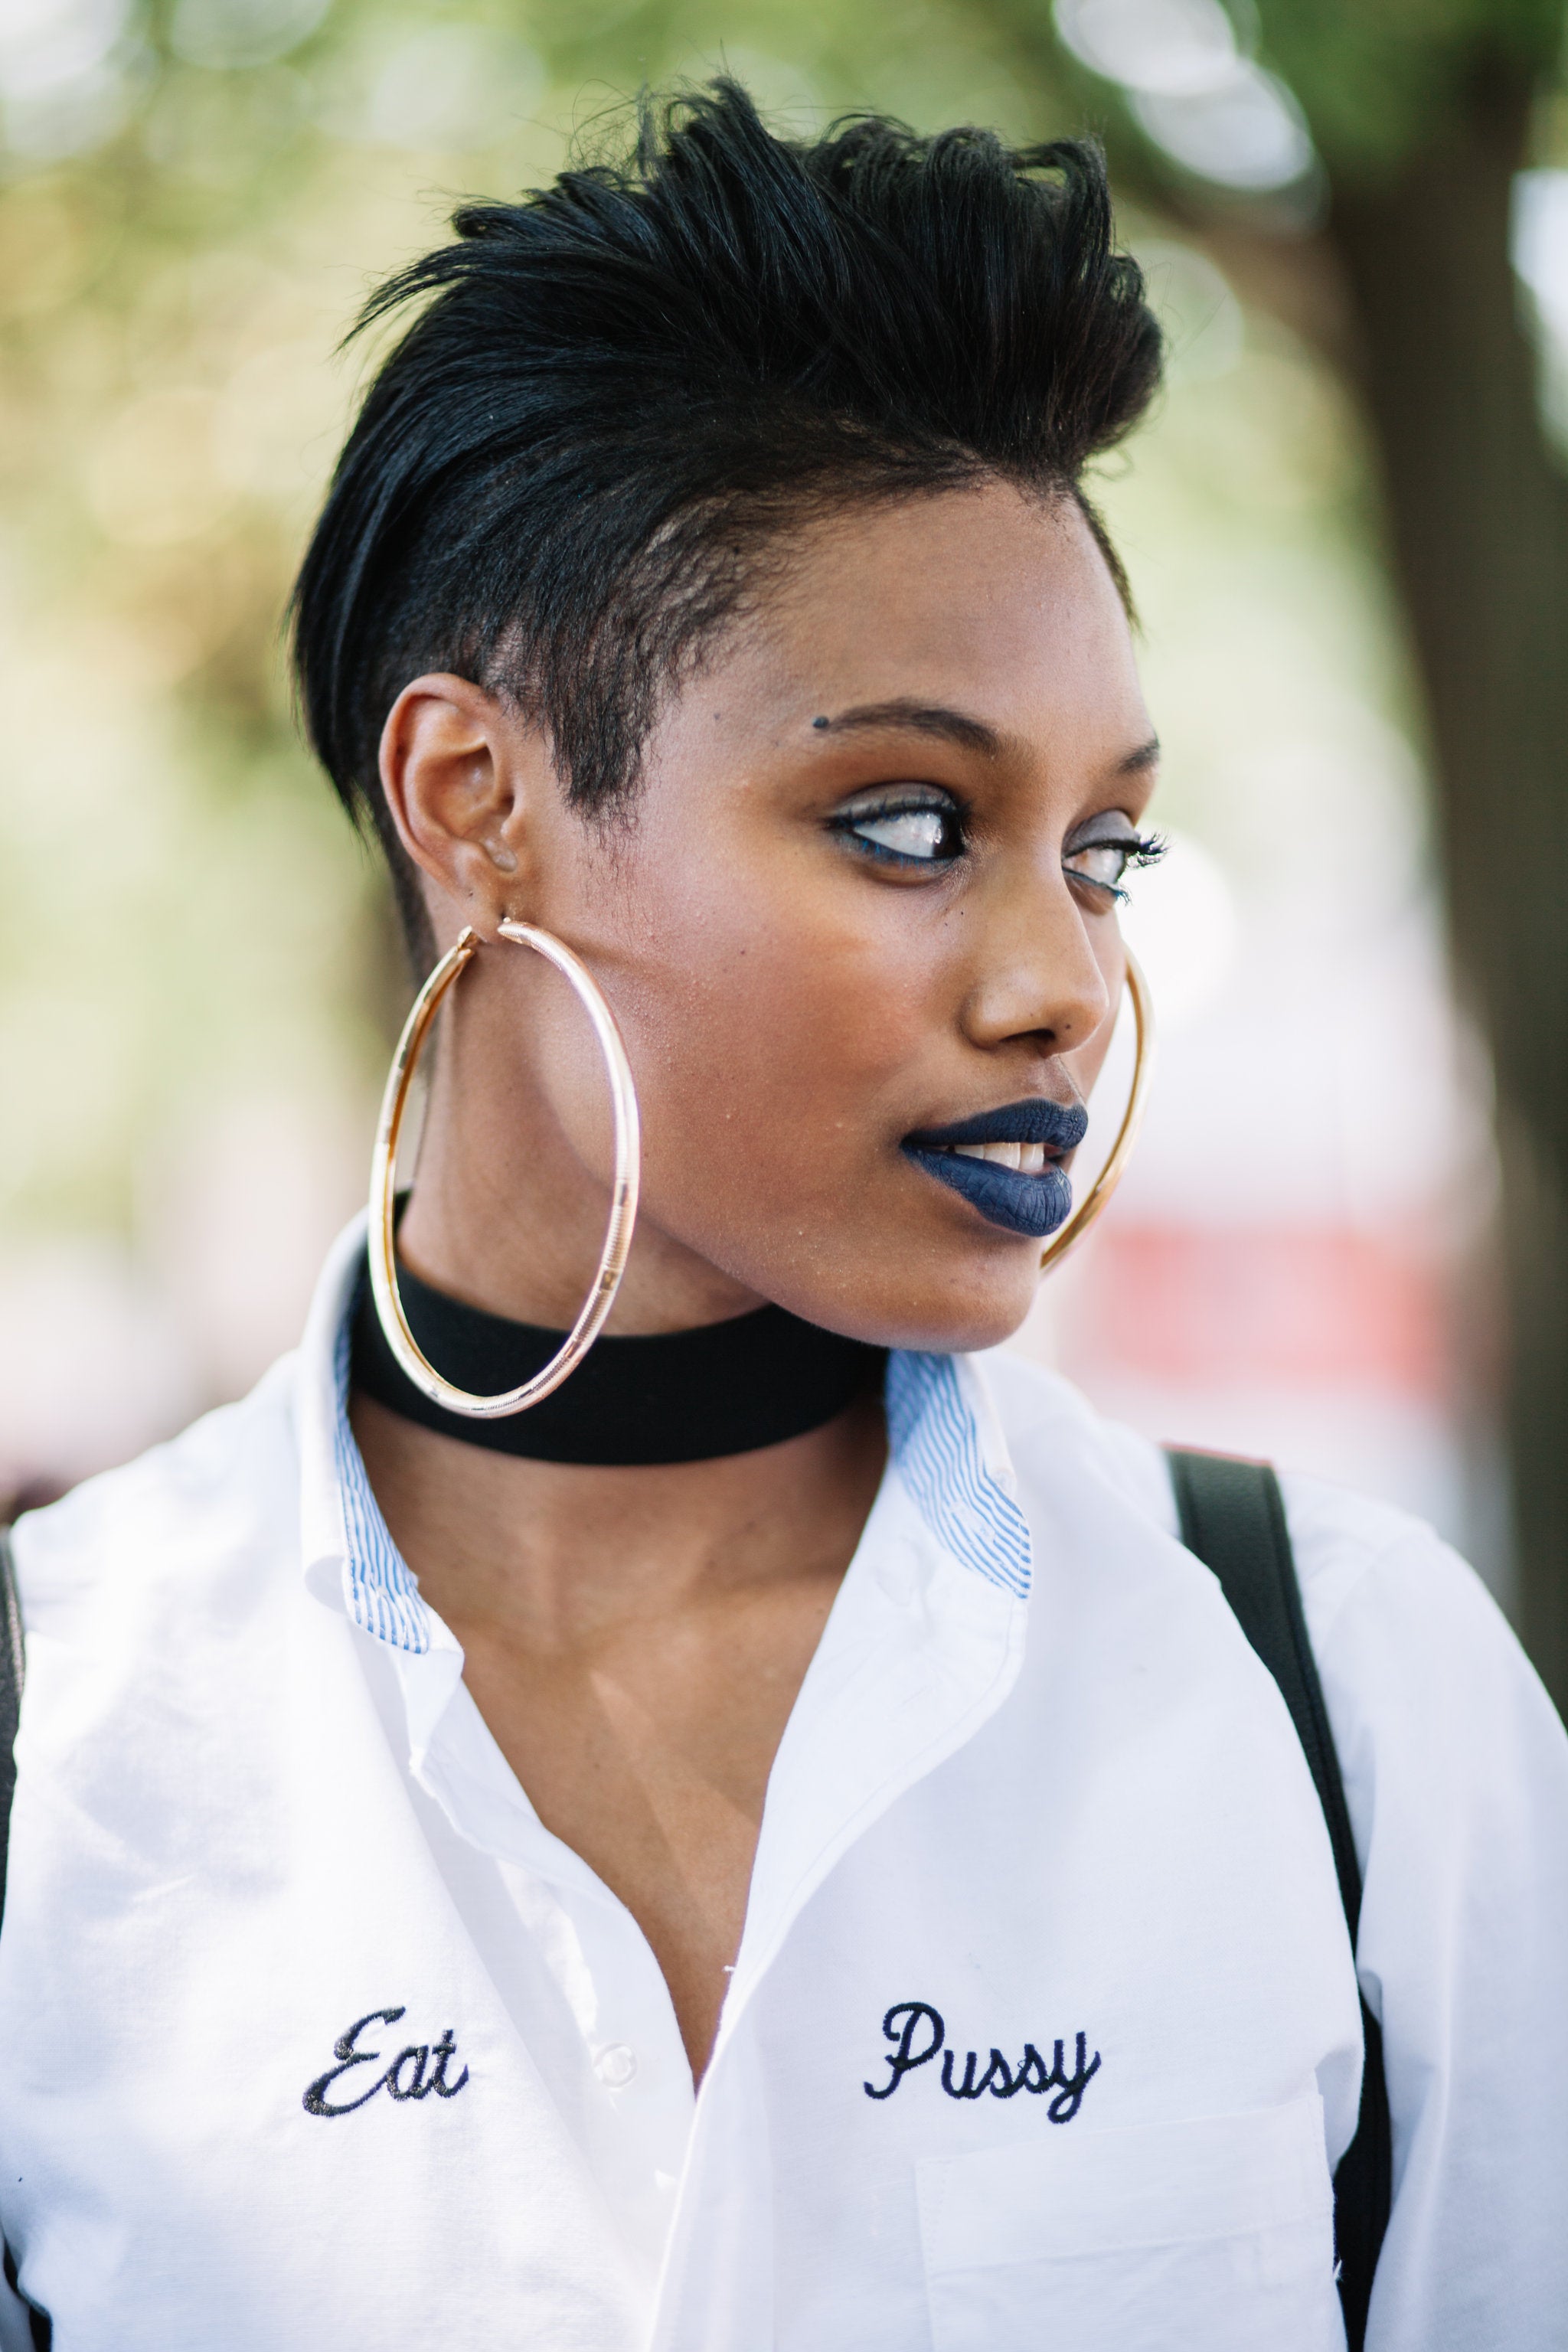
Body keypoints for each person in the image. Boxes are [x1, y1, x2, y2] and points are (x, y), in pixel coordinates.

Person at [1, 80, 1563, 2352]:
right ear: (479, 801)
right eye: (912, 823)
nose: (1063, 989)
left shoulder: (1350, 1702)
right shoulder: (63, 1747)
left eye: (1102, 850)